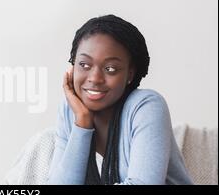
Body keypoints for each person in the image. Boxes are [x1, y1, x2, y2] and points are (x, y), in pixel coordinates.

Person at [47, 15, 193, 185]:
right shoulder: (70, 110)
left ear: (130, 74)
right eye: (84, 65)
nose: (95, 78)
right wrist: (82, 122)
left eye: (110, 69)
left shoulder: (147, 106)